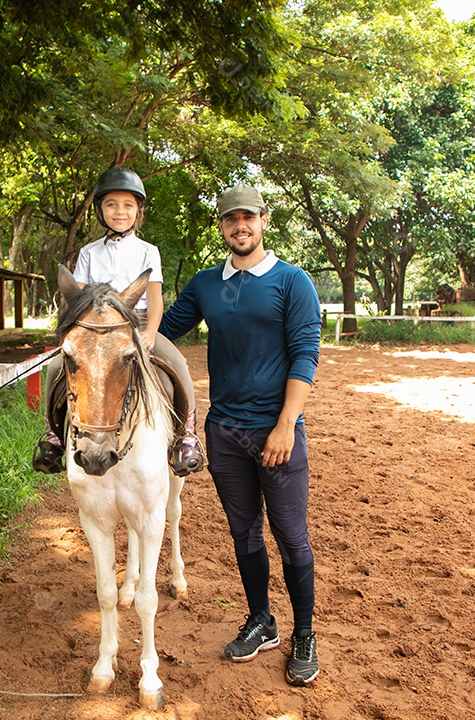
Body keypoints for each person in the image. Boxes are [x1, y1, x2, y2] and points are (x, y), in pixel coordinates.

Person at [158, 184, 321, 686]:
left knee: (291, 536)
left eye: (248, 217)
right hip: (225, 433)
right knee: (244, 531)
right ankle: (261, 621)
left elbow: (306, 355)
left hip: (276, 432)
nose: (240, 226)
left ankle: (304, 634)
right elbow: (160, 332)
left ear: (264, 220)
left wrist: (286, 424)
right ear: (222, 227)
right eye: (231, 219)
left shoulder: (292, 281)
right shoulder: (206, 284)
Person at [32, 167, 205, 477]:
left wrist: (150, 332)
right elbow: (78, 298)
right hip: (95, 326)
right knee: (57, 365)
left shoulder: (148, 252)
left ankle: (187, 435)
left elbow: (155, 299)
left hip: (136, 324)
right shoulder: (89, 252)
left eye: (127, 205)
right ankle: (54, 436)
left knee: (177, 361)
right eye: (111, 205)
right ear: (101, 210)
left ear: (138, 211)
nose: (119, 212)